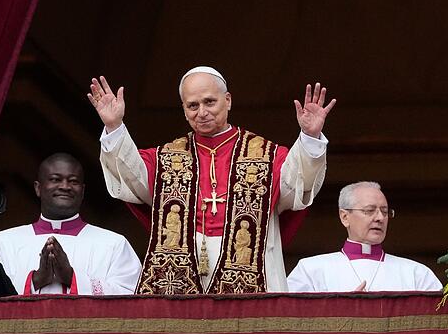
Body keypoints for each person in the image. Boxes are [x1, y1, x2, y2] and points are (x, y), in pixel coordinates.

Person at [90, 66, 335, 294]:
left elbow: (297, 185)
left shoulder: (267, 155)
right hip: (182, 266)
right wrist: (115, 127)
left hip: (251, 264)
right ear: (184, 110)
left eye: (210, 102)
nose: (202, 112)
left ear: (227, 100)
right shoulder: (166, 157)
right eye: (192, 105)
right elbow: (132, 178)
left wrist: (310, 136)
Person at [0, 153, 141, 295]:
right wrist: (36, 280)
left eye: (73, 181)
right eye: (55, 179)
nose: (65, 186)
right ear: (38, 188)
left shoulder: (114, 244)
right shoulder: (3, 242)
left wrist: (71, 277)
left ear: (82, 191)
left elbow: (131, 299)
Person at [287, 181, 442, 292]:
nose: (380, 218)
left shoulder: (417, 274)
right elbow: (288, 322)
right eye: (369, 210)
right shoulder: (310, 270)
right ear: (345, 217)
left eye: (385, 211)